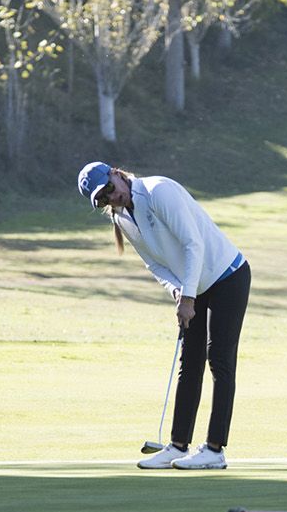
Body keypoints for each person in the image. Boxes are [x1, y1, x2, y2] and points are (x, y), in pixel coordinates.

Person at [77, 161, 250, 470]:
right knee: (189, 361)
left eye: (109, 189)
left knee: (219, 360)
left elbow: (192, 244)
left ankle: (214, 449)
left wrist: (187, 296)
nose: (110, 198)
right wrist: (177, 291)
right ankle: (178, 444)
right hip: (192, 285)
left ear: (117, 174)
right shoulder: (122, 219)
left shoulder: (159, 191)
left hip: (227, 275)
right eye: (102, 199)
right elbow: (154, 264)